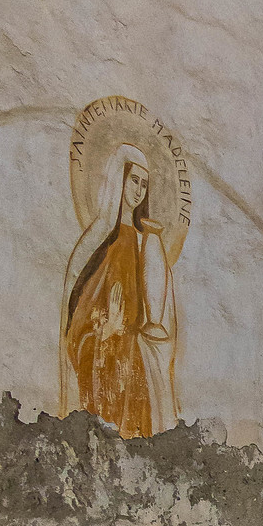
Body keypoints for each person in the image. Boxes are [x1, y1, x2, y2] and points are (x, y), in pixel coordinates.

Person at [63, 149, 179, 436]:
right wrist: (104, 331)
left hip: (137, 363)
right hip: (106, 366)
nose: (139, 190)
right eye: (134, 180)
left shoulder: (148, 243)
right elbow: (76, 326)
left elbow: (162, 314)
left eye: (144, 184)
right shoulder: (102, 242)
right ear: (120, 180)